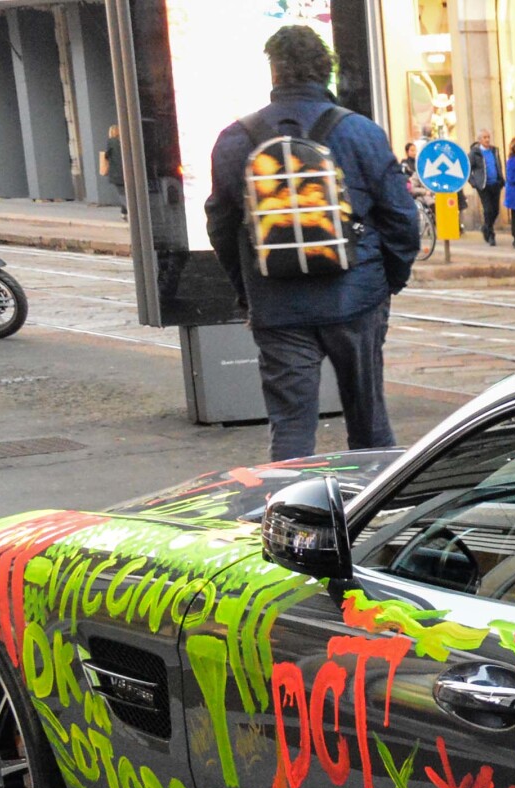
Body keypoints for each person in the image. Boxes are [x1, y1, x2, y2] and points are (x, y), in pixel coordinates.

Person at [203, 25, 420, 463]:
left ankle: (291, 519)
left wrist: (249, 292)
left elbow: (221, 227)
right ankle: (373, 514)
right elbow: (401, 218)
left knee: (291, 430)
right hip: (355, 299)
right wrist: (386, 281)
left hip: (278, 307)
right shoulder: (361, 133)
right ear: (326, 71)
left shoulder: (235, 139)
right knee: (369, 420)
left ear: (274, 72)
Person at [468, 130, 503, 245]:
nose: (487, 139)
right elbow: (467, 169)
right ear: (480, 140)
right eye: (484, 137)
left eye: (488, 137)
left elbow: (498, 165)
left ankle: (486, 227)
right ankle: (491, 234)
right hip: (483, 185)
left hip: (495, 184)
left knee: (496, 211)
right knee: (488, 210)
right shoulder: (475, 153)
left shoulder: (494, 151)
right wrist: (474, 182)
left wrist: (501, 179)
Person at [101, 124, 124, 217]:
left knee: (121, 193)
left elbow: (106, 155)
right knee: (125, 192)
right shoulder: (122, 141)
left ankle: (128, 210)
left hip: (116, 173)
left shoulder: (111, 141)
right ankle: (124, 212)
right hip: (126, 172)